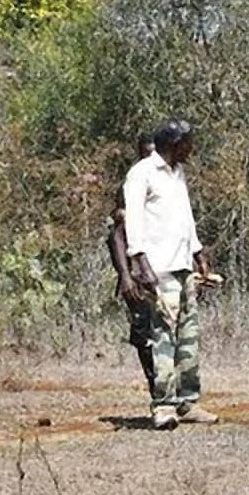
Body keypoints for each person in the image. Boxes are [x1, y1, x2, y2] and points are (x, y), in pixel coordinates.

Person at [121, 117, 219, 430]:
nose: (192, 149)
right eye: (188, 143)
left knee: (189, 337)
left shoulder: (178, 173)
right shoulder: (141, 174)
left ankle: (188, 401)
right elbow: (133, 221)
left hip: (183, 266)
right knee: (163, 336)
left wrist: (198, 252)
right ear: (174, 144)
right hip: (158, 268)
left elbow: (184, 218)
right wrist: (142, 266)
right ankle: (163, 406)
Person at [107, 133, 157, 395]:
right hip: (138, 276)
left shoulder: (168, 184)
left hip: (165, 272)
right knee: (144, 335)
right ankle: (157, 391)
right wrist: (125, 276)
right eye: (145, 154)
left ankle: (175, 393)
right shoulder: (131, 186)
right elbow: (117, 235)